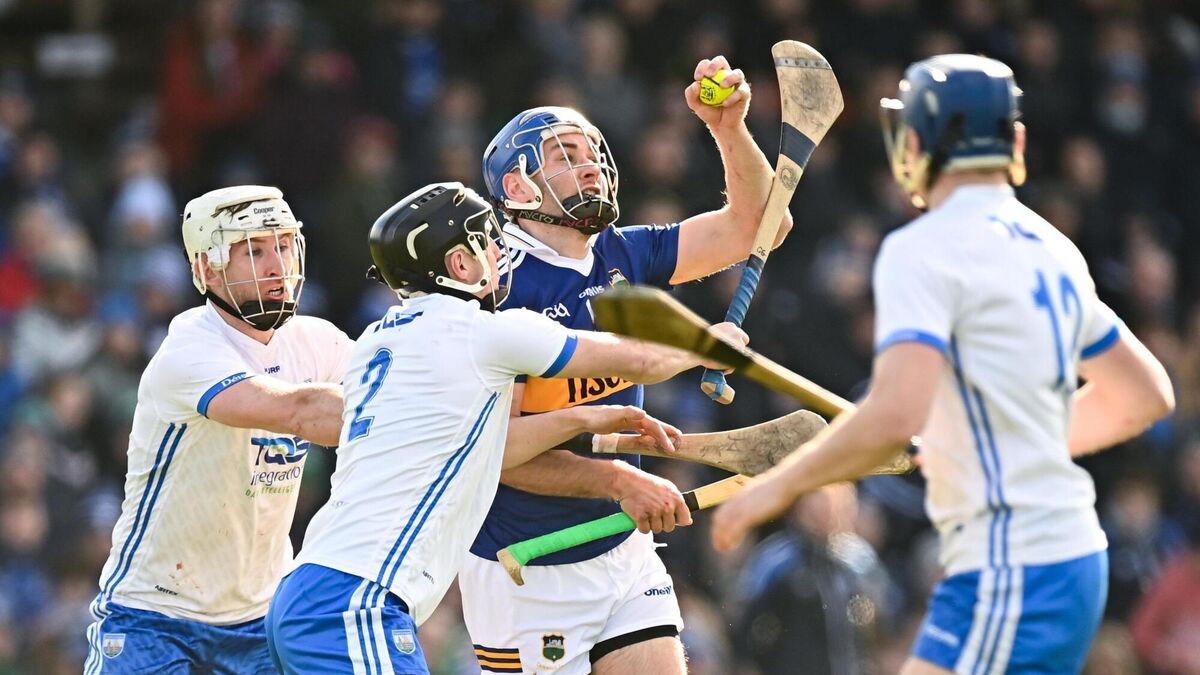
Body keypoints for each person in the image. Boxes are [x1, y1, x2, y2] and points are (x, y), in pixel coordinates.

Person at [711, 54, 1177, 674]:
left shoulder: (921, 248)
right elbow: (1145, 394)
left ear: (917, 143)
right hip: (1061, 556)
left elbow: (894, 413)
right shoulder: (1054, 248)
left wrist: (776, 487)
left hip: (1011, 563)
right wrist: (992, 447)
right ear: (1015, 143)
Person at [264, 181, 744, 674]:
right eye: (486, 240)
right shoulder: (485, 333)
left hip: (313, 587)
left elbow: (495, 449)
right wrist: (706, 345)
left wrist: (584, 418)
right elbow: (637, 359)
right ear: (458, 264)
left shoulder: (376, 339)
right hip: (357, 599)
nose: (500, 252)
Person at [460, 55, 793, 675]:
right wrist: (617, 481)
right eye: (565, 156)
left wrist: (728, 128)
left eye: (592, 153)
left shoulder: (623, 253)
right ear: (517, 188)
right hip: (526, 563)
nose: (590, 164)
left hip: (622, 545)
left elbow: (761, 227)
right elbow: (495, 452)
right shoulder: (495, 287)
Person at [84, 185, 354, 674]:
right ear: (208, 269)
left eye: (284, 245)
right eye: (254, 251)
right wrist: (397, 414)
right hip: (154, 616)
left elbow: (396, 393)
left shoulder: (318, 342)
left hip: (262, 617)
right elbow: (300, 412)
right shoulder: (188, 351)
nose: (278, 266)